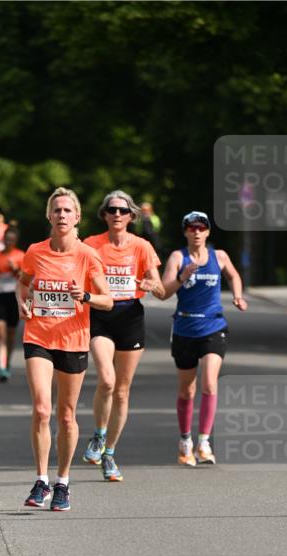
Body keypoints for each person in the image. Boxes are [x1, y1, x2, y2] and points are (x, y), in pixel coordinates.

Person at [16, 187, 112, 511]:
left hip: (72, 340)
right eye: (56, 210)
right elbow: (23, 282)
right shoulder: (35, 251)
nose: (61, 216)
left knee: (67, 416)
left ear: (77, 217)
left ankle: (63, 482)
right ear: (49, 215)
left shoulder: (87, 255)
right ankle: (41, 479)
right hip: (39, 336)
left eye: (67, 211)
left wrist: (84, 296)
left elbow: (107, 299)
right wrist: (22, 303)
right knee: (43, 409)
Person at [81, 190, 162, 481]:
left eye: (123, 210)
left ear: (132, 216)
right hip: (100, 315)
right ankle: (99, 436)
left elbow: (161, 289)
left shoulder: (141, 246)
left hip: (130, 316)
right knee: (107, 380)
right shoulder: (91, 244)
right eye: (112, 209)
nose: (117, 214)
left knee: (123, 389)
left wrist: (152, 283)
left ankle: (110, 453)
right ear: (104, 214)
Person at [158, 211, 247, 466]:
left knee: (209, 383)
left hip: (213, 326)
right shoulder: (178, 257)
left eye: (201, 227)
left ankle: (204, 442)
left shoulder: (219, 256)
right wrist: (182, 277)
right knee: (187, 389)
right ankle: (185, 440)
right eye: (191, 228)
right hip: (185, 328)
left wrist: (238, 296)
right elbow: (164, 293)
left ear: (207, 232)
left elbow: (233, 275)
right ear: (185, 232)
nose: (196, 232)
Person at [0, 226, 24, 381]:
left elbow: (26, 277)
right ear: (2, 239)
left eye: (12, 240)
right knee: (0, 333)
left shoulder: (21, 256)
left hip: (14, 297)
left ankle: (7, 362)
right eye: (6, 239)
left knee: (10, 334)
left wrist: (16, 269)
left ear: (15, 241)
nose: (8, 242)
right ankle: (1, 367)